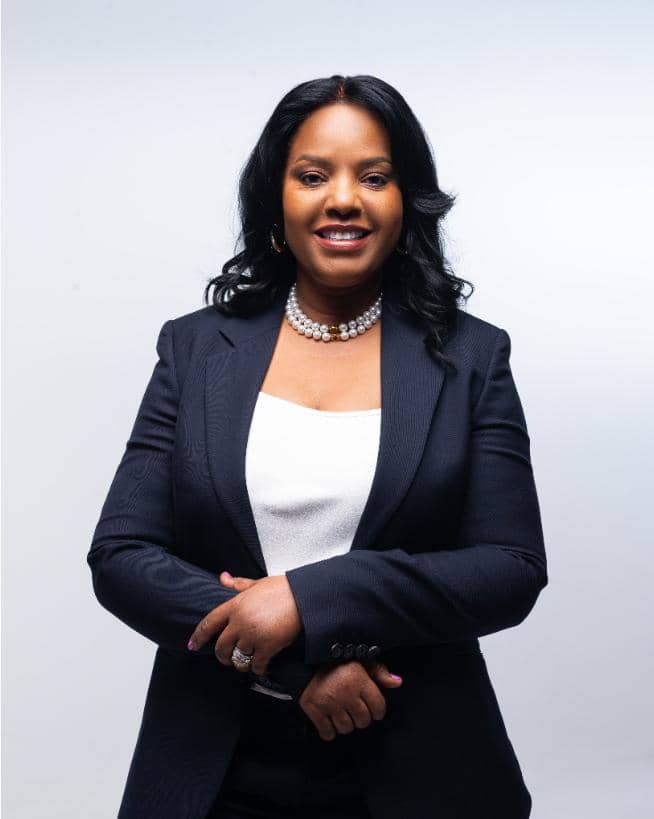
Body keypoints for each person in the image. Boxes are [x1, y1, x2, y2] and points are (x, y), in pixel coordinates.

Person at [87, 74, 548, 819]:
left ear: (406, 203)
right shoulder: (195, 349)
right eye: (312, 176)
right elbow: (122, 556)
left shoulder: (472, 357)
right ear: (276, 201)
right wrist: (299, 664)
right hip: (211, 772)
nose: (342, 199)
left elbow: (509, 568)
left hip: (424, 769)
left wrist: (308, 598)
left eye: (374, 177)